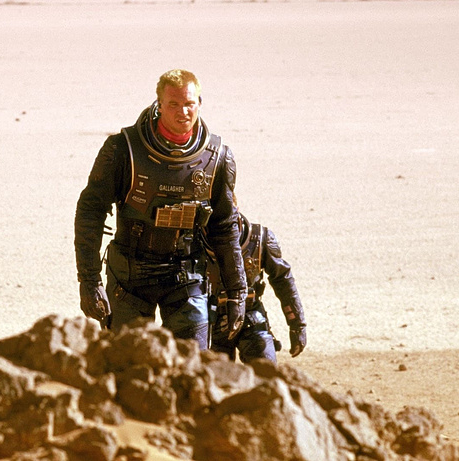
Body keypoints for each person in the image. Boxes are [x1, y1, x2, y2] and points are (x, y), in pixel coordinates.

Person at [74, 69, 247, 350]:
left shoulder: (217, 158)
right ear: (159, 104)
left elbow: (225, 227)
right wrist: (89, 281)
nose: (183, 112)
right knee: (128, 363)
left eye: (189, 104)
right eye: (173, 104)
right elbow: (89, 213)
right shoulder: (122, 150)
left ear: (200, 103)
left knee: (191, 365)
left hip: (186, 274)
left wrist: (237, 291)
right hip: (129, 276)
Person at [208, 212, 306, 363]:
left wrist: (297, 325)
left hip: (250, 316)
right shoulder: (196, 241)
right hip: (210, 320)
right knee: (213, 374)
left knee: (266, 368)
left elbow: (282, 280)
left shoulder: (259, 238)